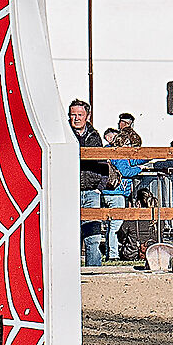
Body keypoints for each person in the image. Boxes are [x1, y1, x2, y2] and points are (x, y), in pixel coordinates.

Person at [69, 100, 115, 268]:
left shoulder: (95, 137)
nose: (76, 118)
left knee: (93, 236)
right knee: (69, 236)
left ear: (87, 116)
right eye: (73, 114)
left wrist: (99, 188)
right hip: (69, 192)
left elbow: (103, 162)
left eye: (80, 115)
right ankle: (70, 273)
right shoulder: (64, 134)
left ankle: (94, 274)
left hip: (90, 192)